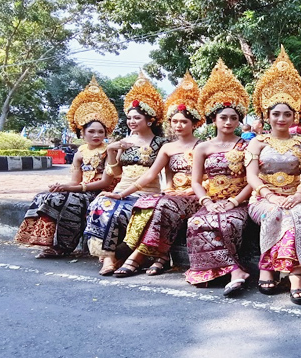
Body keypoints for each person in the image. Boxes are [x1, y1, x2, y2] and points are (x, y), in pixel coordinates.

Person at [107, 72, 203, 277]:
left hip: (194, 195)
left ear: (194, 124)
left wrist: (187, 191)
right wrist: (122, 194)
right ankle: (160, 256)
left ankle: (137, 256)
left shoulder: (202, 146)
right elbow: (151, 174)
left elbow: (205, 178)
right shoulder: (168, 148)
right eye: (175, 121)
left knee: (163, 205)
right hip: (173, 195)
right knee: (148, 203)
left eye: (184, 122)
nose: (178, 126)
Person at [15, 77, 119, 257]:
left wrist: (70, 188)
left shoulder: (109, 150)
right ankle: (45, 242)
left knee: (72, 201)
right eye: (91, 131)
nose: (96, 135)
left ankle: (64, 247)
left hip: (101, 192)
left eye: (101, 131)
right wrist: (62, 187)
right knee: (47, 197)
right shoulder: (79, 153)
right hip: (82, 189)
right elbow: (75, 181)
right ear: (82, 132)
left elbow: (105, 182)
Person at [247, 46, 301, 304]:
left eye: (287, 114)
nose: (281, 118)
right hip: (263, 199)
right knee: (274, 213)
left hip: (296, 197)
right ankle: (267, 267)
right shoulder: (257, 143)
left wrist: (298, 195)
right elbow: (252, 176)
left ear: (294, 116)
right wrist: (269, 196)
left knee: (300, 215)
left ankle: (296, 274)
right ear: (267, 115)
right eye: (276, 114)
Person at [84, 72, 167, 276]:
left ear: (149, 120)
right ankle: (109, 258)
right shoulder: (123, 142)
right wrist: (112, 151)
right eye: (129, 118)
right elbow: (116, 173)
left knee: (119, 212)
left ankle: (117, 256)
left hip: (147, 191)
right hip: (122, 188)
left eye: (137, 118)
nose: (131, 121)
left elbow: (160, 174)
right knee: (100, 205)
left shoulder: (161, 144)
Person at [184, 60, 252, 297]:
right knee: (196, 223)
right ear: (214, 119)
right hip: (211, 200)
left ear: (239, 120)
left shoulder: (247, 146)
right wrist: (208, 203)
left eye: (234, 118)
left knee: (226, 223)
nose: (228, 122)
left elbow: (252, 180)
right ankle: (234, 271)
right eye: (223, 117)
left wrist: (233, 202)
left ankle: (230, 271)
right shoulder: (203, 147)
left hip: (239, 202)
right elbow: (195, 181)